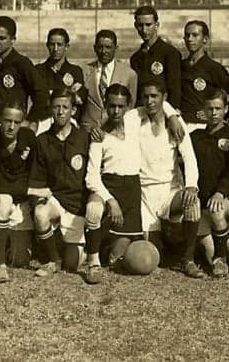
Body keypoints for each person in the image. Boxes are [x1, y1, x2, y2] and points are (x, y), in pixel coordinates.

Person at [85, 83, 184, 281]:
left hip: (131, 191)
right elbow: (92, 177)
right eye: (112, 105)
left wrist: (173, 117)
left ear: (129, 106)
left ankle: (105, 246)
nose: (116, 111)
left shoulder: (133, 119)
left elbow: (159, 102)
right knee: (93, 208)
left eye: (121, 106)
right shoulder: (100, 135)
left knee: (118, 258)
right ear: (105, 104)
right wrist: (111, 202)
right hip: (108, 187)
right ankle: (92, 262)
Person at [136, 78, 201, 276]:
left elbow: (189, 157)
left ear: (164, 98)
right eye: (146, 96)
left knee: (193, 202)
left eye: (154, 96)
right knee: (153, 257)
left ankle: (188, 260)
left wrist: (191, 186)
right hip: (143, 194)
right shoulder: (134, 118)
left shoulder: (175, 123)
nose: (150, 101)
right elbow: (114, 117)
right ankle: (168, 235)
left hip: (168, 191)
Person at [27, 88, 93, 278]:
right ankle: (52, 260)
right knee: (40, 213)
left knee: (71, 265)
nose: (60, 111)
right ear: (51, 109)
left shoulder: (84, 138)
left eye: (65, 107)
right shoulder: (42, 141)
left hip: (77, 207)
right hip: (56, 200)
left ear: (73, 110)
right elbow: (36, 179)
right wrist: (38, 203)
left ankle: (79, 245)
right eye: (56, 107)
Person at [0, 101, 38, 283]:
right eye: (7, 120)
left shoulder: (29, 138)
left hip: (21, 198)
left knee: (19, 260)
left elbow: (33, 172)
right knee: (4, 200)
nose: (11, 126)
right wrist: (29, 189)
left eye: (16, 122)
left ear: (23, 122)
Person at [189, 89, 229, 277]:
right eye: (210, 108)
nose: (213, 113)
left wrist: (221, 192)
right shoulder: (195, 137)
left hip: (223, 199)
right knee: (205, 253)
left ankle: (222, 259)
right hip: (201, 200)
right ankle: (212, 245)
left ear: (226, 109)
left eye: (218, 108)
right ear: (203, 109)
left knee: (216, 211)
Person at [0, 16, 49, 133]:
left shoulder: (22, 63)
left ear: (13, 39)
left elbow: (41, 93)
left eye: (2, 38)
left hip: (14, 125)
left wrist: (31, 120)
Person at [180, 20, 229, 133]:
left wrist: (216, 113)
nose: (190, 39)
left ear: (205, 39)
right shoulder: (180, 65)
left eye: (195, 35)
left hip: (203, 126)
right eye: (187, 35)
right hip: (182, 123)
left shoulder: (213, 68)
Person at [81, 29, 138, 130]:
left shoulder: (129, 74)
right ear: (94, 48)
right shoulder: (83, 71)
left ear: (116, 48)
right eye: (100, 47)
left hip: (116, 131)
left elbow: (131, 107)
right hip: (88, 131)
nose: (104, 52)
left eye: (108, 47)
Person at [129, 5, 182, 108]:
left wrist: (172, 113)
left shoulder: (170, 53)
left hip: (163, 111)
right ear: (135, 26)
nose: (144, 30)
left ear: (156, 25)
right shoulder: (136, 58)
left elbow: (175, 88)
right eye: (140, 25)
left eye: (148, 25)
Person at [35, 28, 88, 131]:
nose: (55, 49)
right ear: (47, 45)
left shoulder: (75, 71)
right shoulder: (38, 70)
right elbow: (38, 101)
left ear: (67, 46)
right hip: (43, 122)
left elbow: (79, 100)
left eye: (59, 45)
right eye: (52, 44)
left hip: (68, 122)